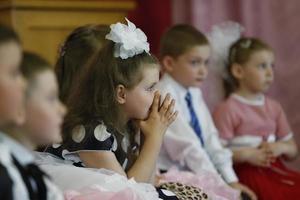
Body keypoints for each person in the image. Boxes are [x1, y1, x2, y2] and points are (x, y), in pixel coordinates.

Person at [46, 19, 186, 199]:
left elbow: (146, 186)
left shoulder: (128, 124)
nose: (156, 95)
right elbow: (127, 193)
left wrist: (147, 138)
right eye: (150, 88)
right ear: (121, 93)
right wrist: (155, 138)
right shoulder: (91, 132)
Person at [156, 24, 257, 200]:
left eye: (206, 62)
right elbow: (188, 147)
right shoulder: (164, 95)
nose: (203, 70)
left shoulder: (193, 92)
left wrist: (230, 179)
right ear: (169, 63)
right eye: (195, 62)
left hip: (196, 170)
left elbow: (210, 138)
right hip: (168, 173)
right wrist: (219, 185)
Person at [213, 37, 300, 200]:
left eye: (271, 66)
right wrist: (246, 154)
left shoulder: (274, 107)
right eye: (262, 66)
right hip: (246, 176)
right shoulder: (228, 109)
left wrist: (280, 147)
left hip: (275, 171)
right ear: (238, 71)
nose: (270, 73)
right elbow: (215, 153)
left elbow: (293, 150)